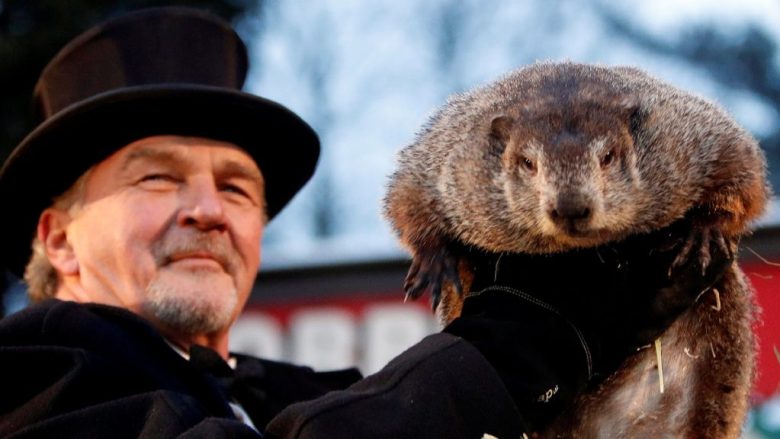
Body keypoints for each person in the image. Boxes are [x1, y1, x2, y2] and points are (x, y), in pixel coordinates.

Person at [0, 7, 728, 438]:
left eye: (237, 188)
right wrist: (528, 334)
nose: (208, 209)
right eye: (157, 177)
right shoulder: (33, 381)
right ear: (57, 237)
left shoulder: (308, 391)